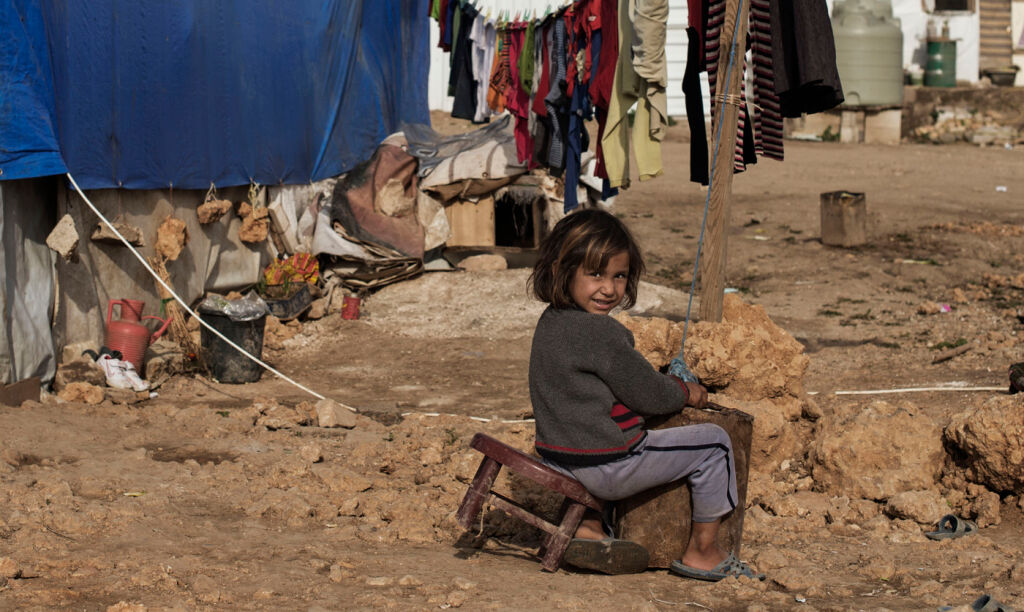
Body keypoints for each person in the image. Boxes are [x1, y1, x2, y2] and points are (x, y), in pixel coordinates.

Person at [527, 208, 764, 581]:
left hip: (559, 456)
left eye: (619, 276)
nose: (609, 288)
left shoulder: (551, 323)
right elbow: (650, 395)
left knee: (601, 424)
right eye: (595, 274)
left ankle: (589, 526)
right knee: (715, 443)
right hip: (603, 468)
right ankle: (704, 551)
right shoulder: (601, 334)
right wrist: (685, 391)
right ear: (561, 271)